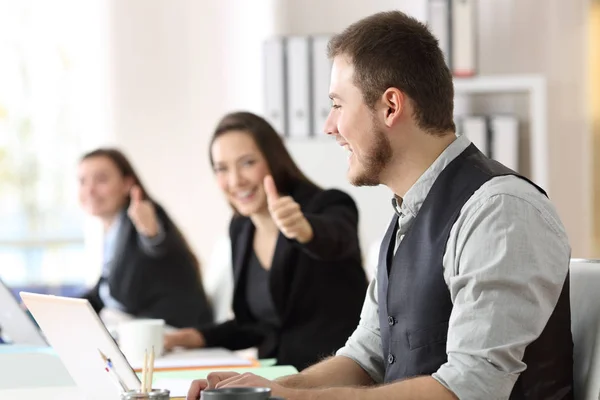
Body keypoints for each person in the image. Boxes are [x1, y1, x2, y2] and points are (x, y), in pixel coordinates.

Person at [186, 11, 574, 400]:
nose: (329, 126)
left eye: (338, 104)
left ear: (390, 106)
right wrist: (265, 389)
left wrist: (293, 399)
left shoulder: (499, 210)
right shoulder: (408, 214)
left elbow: (470, 388)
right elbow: (365, 356)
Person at [164, 111, 368, 371]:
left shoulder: (328, 205)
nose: (235, 180)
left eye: (247, 163)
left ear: (273, 160)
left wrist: (304, 229)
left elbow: (338, 238)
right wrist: (192, 337)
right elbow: (257, 325)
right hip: (275, 378)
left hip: (332, 378)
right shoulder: (241, 227)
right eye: (222, 169)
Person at [78, 148, 214, 329]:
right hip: (136, 326)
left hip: (171, 330)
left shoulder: (143, 213)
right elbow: (103, 291)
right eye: (82, 181)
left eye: (101, 180)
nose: (90, 190)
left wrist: (152, 234)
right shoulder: (113, 230)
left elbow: (160, 246)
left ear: (127, 184)